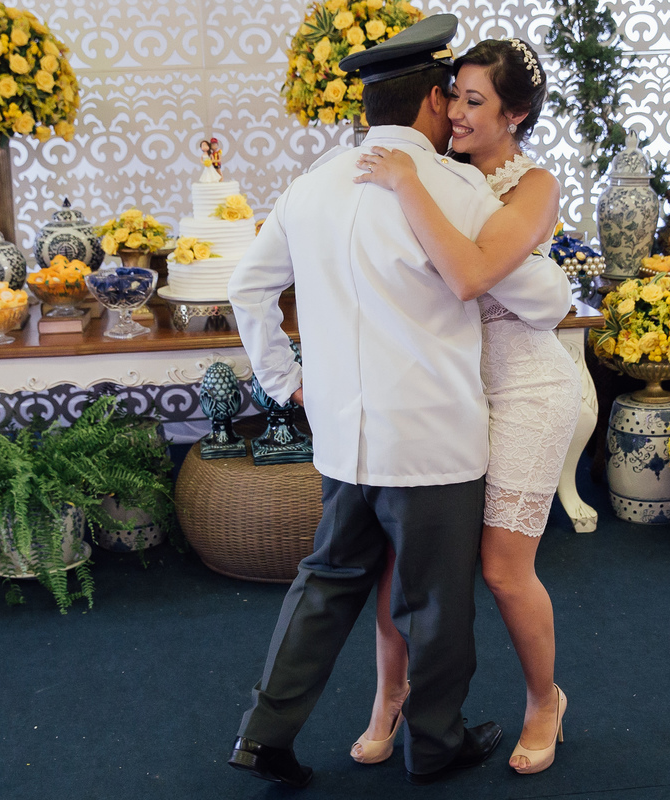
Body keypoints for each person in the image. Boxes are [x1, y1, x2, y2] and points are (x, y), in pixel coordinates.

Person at [225, 15, 570, 788]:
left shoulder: (310, 187)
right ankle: (435, 744)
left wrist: (286, 382)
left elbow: (247, 287)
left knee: (326, 581)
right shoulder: (457, 188)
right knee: (434, 603)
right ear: (431, 104)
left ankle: (263, 733)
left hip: (344, 435)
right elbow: (541, 296)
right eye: (452, 99)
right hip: (433, 437)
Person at [350, 37, 580, 776]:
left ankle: (545, 700)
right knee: (398, 561)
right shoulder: (440, 169)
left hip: (524, 389)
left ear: (514, 115)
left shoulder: (534, 185)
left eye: (475, 100)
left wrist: (408, 185)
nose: (455, 110)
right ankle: (392, 696)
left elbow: (471, 274)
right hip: (443, 393)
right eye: (452, 93)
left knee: (505, 569)